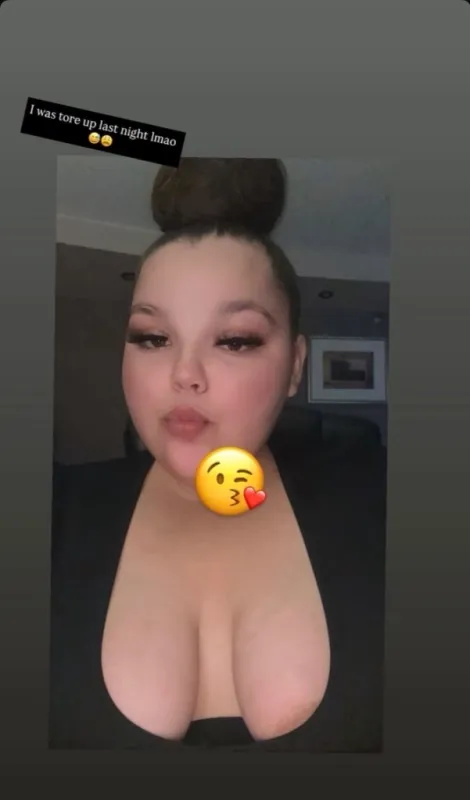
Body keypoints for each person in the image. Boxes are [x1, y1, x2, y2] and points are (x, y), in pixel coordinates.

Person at [50, 159, 386, 751]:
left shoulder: (380, 504)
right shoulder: (54, 510)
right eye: (153, 338)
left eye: (234, 340)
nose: (184, 374)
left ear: (295, 368)